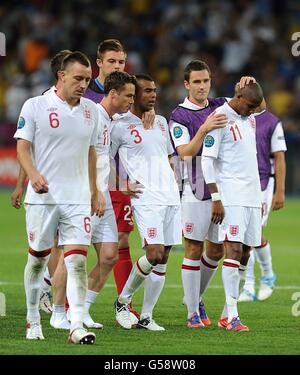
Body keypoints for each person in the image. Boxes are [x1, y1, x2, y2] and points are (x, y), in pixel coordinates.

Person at [14, 51, 102, 344]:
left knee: (77, 260)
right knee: (38, 261)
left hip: (77, 198)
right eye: (78, 78)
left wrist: (95, 189)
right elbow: (23, 149)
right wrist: (33, 174)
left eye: (87, 80)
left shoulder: (91, 110)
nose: (83, 84)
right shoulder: (36, 105)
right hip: (44, 197)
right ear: (61, 76)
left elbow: (91, 151)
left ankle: (76, 324)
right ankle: (32, 318)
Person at [169, 60, 254, 328]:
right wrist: (204, 128)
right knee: (193, 248)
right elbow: (185, 153)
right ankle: (192, 312)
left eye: (206, 80)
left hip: (223, 190)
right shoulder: (179, 116)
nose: (202, 86)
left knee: (216, 251)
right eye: (197, 81)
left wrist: (250, 86)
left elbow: (256, 106)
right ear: (186, 84)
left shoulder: (221, 104)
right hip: (194, 189)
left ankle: (195, 299)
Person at [112, 74, 182, 331]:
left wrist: (178, 185)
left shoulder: (161, 122)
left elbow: (169, 158)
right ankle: (122, 301)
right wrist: (121, 184)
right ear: (133, 96)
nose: (153, 95)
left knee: (163, 257)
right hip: (146, 198)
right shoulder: (119, 125)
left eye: (155, 90)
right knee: (153, 252)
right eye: (146, 91)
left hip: (170, 197)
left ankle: (147, 315)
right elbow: (104, 159)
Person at [11, 49, 72, 315]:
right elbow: (29, 150)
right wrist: (21, 183)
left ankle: (56, 295)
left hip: (71, 187)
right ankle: (48, 294)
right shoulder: (40, 104)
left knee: (65, 246)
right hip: (46, 189)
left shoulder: (78, 107)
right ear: (62, 74)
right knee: (51, 247)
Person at [202, 81, 264, 331]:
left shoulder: (248, 115)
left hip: (252, 196)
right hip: (232, 195)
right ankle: (232, 316)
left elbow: (259, 103)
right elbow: (207, 161)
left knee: (247, 252)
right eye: (249, 106)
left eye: (254, 107)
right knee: (233, 249)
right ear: (238, 97)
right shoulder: (219, 118)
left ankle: (227, 312)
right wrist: (216, 198)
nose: (252, 111)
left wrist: (253, 82)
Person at [84, 39, 138, 318]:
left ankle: (123, 305)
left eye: (121, 61)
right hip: (86, 184)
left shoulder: (126, 96)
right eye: (112, 61)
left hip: (117, 177)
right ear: (99, 63)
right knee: (71, 249)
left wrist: (147, 113)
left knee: (119, 244)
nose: (117, 65)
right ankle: (57, 301)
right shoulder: (84, 95)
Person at [238, 99, 286, 302]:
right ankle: (248, 285)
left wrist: (280, 191)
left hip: (263, 183)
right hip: (239, 183)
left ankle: (266, 275)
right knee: (241, 237)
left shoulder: (271, 121)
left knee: (254, 235)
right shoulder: (235, 119)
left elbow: (280, 157)